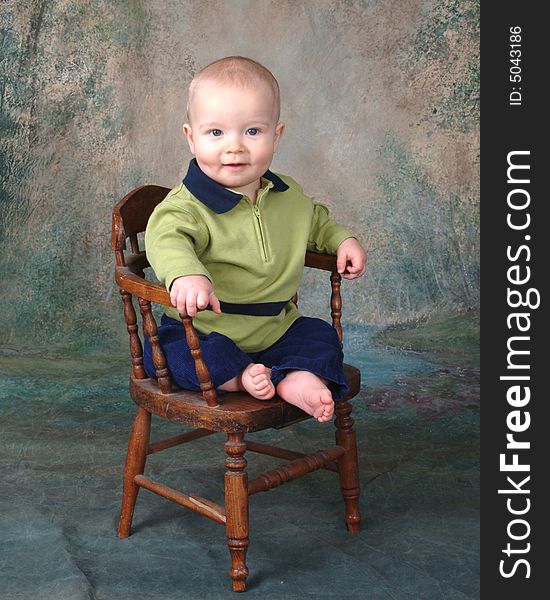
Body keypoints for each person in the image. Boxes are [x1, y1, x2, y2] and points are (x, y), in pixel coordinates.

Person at [144, 56, 367, 423]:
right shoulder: (186, 206)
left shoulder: (288, 195)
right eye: (216, 133)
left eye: (252, 132)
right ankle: (238, 378)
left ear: (276, 136)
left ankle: (295, 376)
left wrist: (342, 241)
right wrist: (185, 274)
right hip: (207, 329)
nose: (235, 147)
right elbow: (166, 238)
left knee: (320, 336)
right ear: (191, 137)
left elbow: (316, 222)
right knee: (173, 355)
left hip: (275, 326)